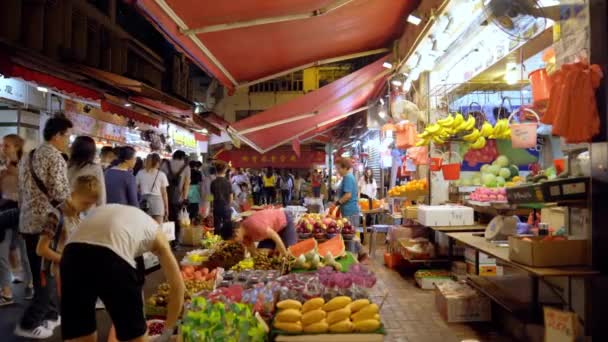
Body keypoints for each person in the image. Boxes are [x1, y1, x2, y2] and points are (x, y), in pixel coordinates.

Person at [59, 204, 185, 342]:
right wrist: (167, 332)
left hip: (71, 255)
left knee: (80, 335)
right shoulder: (158, 234)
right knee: (135, 338)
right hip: (112, 255)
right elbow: (178, 287)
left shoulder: (126, 216)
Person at [16, 114, 72, 339]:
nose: (68, 140)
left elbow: (21, 190)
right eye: (67, 136)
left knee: (41, 269)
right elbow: (60, 192)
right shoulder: (55, 157)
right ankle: (32, 323)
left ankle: (51, 314)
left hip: (28, 221)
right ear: (57, 135)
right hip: (47, 224)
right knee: (45, 273)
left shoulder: (29, 156)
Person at [36, 176, 100, 295]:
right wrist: (67, 260)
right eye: (85, 203)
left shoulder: (78, 215)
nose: (87, 207)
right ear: (73, 193)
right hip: (57, 274)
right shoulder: (55, 215)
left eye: (91, 204)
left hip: (73, 273)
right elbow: (41, 249)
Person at [0, 134, 32, 305]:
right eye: (2, 145)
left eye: (7, 145)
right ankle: (6, 291)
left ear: (16, 147)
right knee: (2, 253)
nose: (3, 148)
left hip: (21, 211)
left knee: (25, 252)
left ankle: (31, 283)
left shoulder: (25, 165)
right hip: (4, 210)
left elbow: (29, 189)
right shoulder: (2, 166)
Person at [161, 150, 190, 248]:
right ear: (183, 157)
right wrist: (185, 198)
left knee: (166, 217)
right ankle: (176, 241)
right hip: (178, 198)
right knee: (177, 219)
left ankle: (165, 240)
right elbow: (186, 184)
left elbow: (160, 181)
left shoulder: (165, 164)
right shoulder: (186, 167)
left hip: (164, 196)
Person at [68, 136, 106, 207]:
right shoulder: (95, 169)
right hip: (86, 209)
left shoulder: (67, 165)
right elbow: (101, 195)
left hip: (68, 207)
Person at [136, 153, 169, 224]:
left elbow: (136, 189)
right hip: (157, 203)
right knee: (158, 229)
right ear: (157, 162)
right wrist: (166, 208)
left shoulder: (140, 173)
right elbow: (164, 193)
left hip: (144, 202)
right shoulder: (161, 175)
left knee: (144, 227)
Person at [330, 158, 360, 235]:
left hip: (350, 212)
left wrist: (336, 204)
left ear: (345, 168)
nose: (337, 171)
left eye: (338, 168)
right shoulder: (347, 177)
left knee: (350, 236)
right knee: (349, 235)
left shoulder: (348, 178)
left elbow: (347, 195)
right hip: (348, 211)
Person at [210, 161, 233, 239]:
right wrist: (229, 205)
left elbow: (210, 196)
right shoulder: (228, 182)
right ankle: (227, 241)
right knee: (227, 226)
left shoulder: (213, 182)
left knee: (217, 225)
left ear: (216, 170)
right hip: (226, 206)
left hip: (216, 207)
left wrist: (211, 206)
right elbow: (231, 196)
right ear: (225, 170)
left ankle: (216, 241)